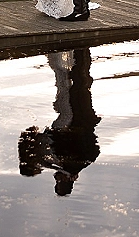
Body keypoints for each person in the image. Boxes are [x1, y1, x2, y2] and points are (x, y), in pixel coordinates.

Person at [18, 48, 101, 195]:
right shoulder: (58, 163)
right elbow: (37, 136)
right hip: (70, 122)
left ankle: (78, 53)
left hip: (82, 121)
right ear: (64, 180)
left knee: (77, 85)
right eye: (58, 181)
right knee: (65, 83)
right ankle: (70, 53)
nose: (55, 178)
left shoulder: (75, 163)